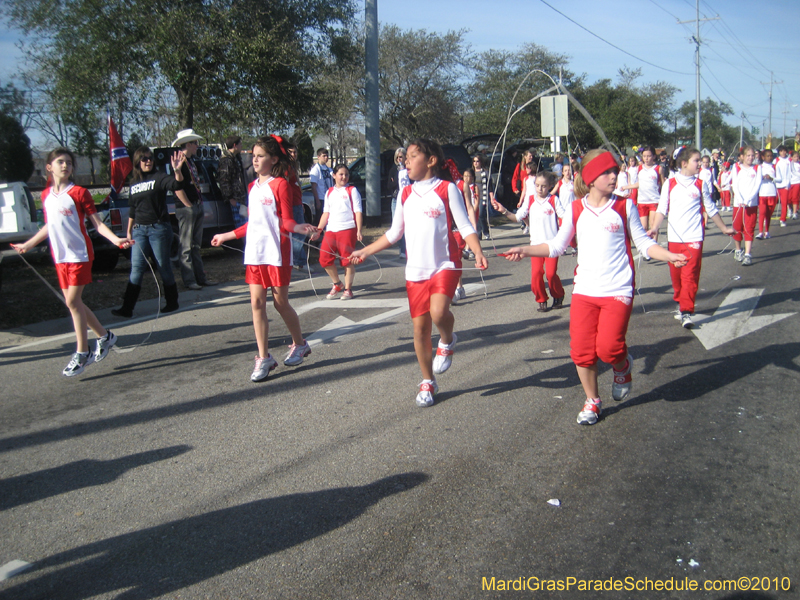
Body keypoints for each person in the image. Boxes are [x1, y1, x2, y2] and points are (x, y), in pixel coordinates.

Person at [499, 149, 686, 426]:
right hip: (585, 290)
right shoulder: (576, 209)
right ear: (590, 178)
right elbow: (556, 245)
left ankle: (622, 366)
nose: (614, 176)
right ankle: (592, 401)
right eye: (607, 172)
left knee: (610, 348)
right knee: (582, 351)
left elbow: (644, 244)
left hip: (618, 289)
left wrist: (668, 254)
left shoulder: (625, 206)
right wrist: (525, 250)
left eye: (615, 171)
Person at [349, 139, 488, 408]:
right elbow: (394, 233)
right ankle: (427, 381)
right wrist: (366, 252)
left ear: (431, 160)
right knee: (420, 329)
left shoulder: (447, 189)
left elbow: (465, 225)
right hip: (415, 271)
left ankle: (447, 339)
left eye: (413, 156)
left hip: (445, 264)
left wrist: (478, 251)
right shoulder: (405, 194)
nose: (406, 161)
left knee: (438, 313)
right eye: (406, 157)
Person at [11, 147, 132, 376]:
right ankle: (105, 337)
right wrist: (28, 244)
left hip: (79, 255)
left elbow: (96, 223)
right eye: (60, 162)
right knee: (73, 303)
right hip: (60, 257)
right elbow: (49, 225)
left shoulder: (79, 193)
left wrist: (116, 240)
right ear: (49, 167)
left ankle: (82, 352)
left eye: (68, 162)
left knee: (73, 302)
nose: (65, 165)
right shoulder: (46, 196)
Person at [211, 136, 319, 382]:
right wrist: (226, 235)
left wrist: (301, 228)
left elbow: (286, 220)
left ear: (273, 159)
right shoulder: (252, 188)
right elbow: (252, 224)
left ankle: (300, 344)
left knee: (280, 304)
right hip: (255, 254)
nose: (254, 160)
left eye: (260, 156)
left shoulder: (280, 184)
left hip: (277, 253)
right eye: (253, 155)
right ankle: (263, 357)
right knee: (256, 304)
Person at [646, 147, 734, 329]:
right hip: (674, 238)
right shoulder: (670, 183)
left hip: (694, 237)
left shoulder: (701, 184)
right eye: (696, 161)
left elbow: (711, 209)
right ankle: (680, 301)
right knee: (676, 276)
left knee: (690, 276)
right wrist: (654, 227)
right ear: (684, 163)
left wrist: (724, 228)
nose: (699, 164)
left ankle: (686, 310)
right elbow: (662, 209)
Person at [112, 147, 185, 318]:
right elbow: (132, 209)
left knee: (162, 265)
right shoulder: (134, 183)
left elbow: (176, 184)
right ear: (137, 162)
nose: (148, 161)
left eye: (150, 158)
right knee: (136, 267)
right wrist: (129, 231)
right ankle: (127, 308)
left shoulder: (159, 177)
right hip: (139, 231)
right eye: (144, 159)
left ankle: (172, 302)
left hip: (158, 229)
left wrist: (177, 170)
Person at [492, 170, 565, 312]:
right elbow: (517, 217)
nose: (540, 189)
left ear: (550, 186)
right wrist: (503, 211)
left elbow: (565, 217)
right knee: (536, 274)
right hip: (535, 246)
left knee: (550, 274)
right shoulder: (530, 199)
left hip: (551, 245)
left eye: (543, 186)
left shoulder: (553, 200)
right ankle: (541, 299)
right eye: (537, 185)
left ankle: (558, 295)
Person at [172, 128, 215, 289]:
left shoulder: (191, 161)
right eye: (195, 143)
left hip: (196, 204)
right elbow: (177, 187)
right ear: (188, 144)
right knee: (186, 246)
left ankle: (200, 277)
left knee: (196, 245)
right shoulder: (178, 162)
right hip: (186, 208)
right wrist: (188, 205)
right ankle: (189, 280)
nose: (197, 146)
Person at [317, 164, 362, 300]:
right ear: (334, 175)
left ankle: (348, 289)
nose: (344, 177)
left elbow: (358, 211)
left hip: (347, 228)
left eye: (346, 174)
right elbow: (326, 213)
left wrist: (359, 230)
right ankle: (337, 284)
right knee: (324, 259)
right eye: (341, 174)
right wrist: (318, 230)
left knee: (347, 260)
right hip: (331, 229)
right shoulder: (329, 192)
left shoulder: (352, 190)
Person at [730, 146, 763, 266]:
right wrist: (740, 199)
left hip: (751, 204)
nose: (751, 158)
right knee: (737, 228)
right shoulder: (736, 167)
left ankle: (748, 254)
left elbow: (757, 184)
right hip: (738, 204)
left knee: (749, 228)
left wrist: (749, 199)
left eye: (752, 155)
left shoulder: (757, 168)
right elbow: (735, 184)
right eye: (748, 155)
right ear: (742, 156)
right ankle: (738, 250)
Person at [623, 146, 663, 238]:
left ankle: (654, 246)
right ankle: (647, 247)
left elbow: (663, 185)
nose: (646, 158)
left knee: (653, 226)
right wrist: (627, 187)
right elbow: (639, 184)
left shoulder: (658, 169)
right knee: (643, 227)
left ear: (653, 156)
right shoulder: (639, 168)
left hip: (654, 200)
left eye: (649, 156)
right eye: (644, 156)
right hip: (642, 201)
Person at [217, 135, 248, 228]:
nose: (241, 146)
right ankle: (243, 242)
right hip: (235, 198)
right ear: (235, 145)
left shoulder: (236, 158)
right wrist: (230, 198)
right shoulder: (226, 159)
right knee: (241, 226)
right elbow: (224, 180)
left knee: (246, 224)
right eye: (240, 144)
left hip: (242, 197)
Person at [286, 142, 307, 270]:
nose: (293, 154)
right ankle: (298, 261)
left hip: (298, 202)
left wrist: (301, 202)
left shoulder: (294, 166)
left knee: (299, 233)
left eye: (295, 152)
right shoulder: (286, 167)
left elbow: (297, 185)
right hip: (292, 203)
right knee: (299, 233)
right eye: (291, 152)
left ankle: (298, 260)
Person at [391, 147, 409, 259]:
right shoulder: (394, 169)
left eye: (401, 157)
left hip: (408, 199)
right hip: (396, 199)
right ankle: (402, 247)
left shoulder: (409, 168)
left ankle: (405, 249)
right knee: (398, 226)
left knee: (408, 225)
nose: (399, 159)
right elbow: (390, 185)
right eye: (397, 157)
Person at [472, 154, 495, 240]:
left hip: (483, 196)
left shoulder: (485, 173)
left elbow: (490, 186)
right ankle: (478, 233)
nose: (476, 163)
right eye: (474, 161)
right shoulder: (471, 173)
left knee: (481, 214)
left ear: (480, 162)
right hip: (474, 197)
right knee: (475, 215)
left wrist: (492, 198)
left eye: (477, 161)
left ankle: (485, 231)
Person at [756, 149, 777, 239]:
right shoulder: (759, 167)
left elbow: (779, 179)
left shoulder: (775, 166)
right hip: (762, 193)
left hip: (772, 193)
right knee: (762, 213)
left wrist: (772, 178)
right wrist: (762, 177)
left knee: (768, 214)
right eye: (767, 156)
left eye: (771, 156)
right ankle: (760, 232)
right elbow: (756, 179)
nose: (770, 158)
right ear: (763, 157)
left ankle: (767, 232)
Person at [309, 147, 332, 227]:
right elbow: (314, 186)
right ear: (318, 157)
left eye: (327, 156)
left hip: (329, 197)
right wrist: (317, 201)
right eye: (324, 156)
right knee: (320, 219)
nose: (326, 158)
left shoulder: (329, 169)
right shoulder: (315, 169)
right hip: (321, 198)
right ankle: (316, 237)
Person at [774, 145, 792, 226]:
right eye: (781, 151)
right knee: (772, 204)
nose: (783, 152)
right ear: (779, 152)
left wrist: (788, 184)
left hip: (785, 186)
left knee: (784, 203)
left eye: (784, 151)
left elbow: (790, 173)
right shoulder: (776, 160)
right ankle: (766, 219)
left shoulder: (789, 160)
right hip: (776, 186)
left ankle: (783, 219)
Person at [789, 150, 800, 220]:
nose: (796, 158)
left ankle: (794, 212)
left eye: (797, 157)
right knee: (789, 198)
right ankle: (790, 209)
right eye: (794, 157)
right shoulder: (789, 164)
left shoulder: (799, 164)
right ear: (792, 157)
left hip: (797, 182)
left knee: (795, 198)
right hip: (790, 183)